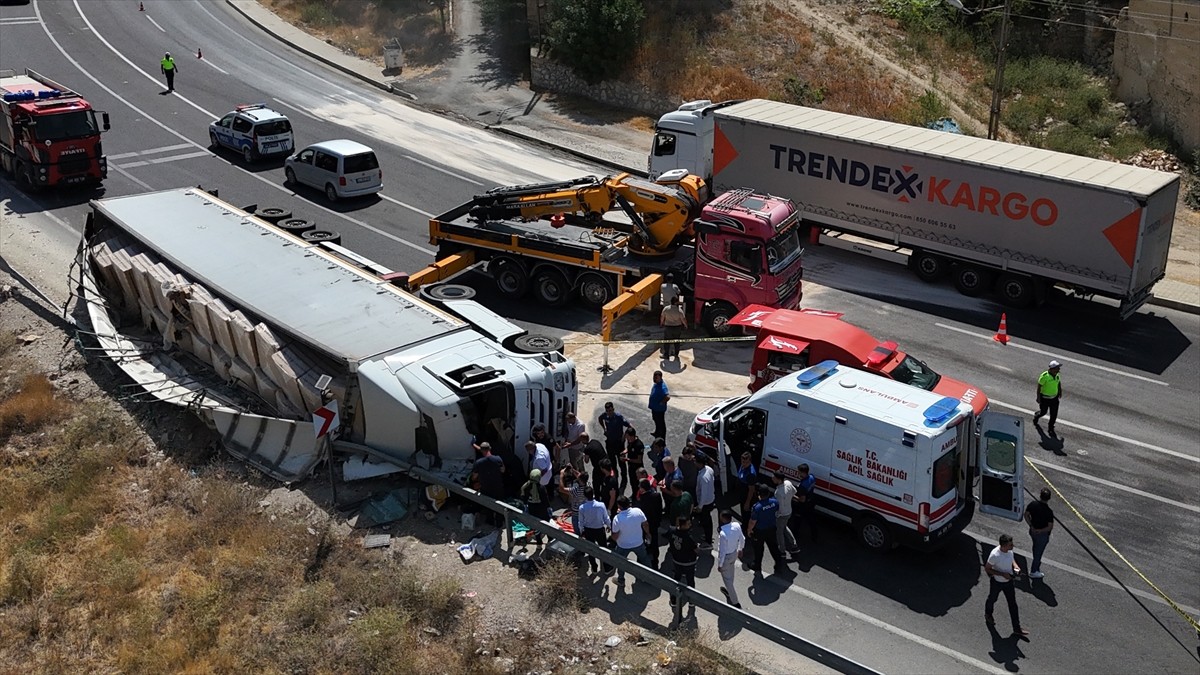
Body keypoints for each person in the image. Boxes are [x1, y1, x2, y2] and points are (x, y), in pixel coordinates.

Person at [984, 534, 1029, 636]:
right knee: (992, 599)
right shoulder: (995, 555)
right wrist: (1002, 574)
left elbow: (1012, 558)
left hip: (1008, 582)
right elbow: (987, 568)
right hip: (997, 582)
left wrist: (1016, 566)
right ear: (1004, 546)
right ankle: (988, 613)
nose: (1012, 546)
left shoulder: (1009, 551)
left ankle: (1016, 628)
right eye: (1010, 545)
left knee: (1013, 604)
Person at [609, 496, 650, 585]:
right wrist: (648, 534)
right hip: (639, 543)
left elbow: (615, 536)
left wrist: (612, 537)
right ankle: (650, 578)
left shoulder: (617, 518)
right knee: (644, 559)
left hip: (623, 545)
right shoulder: (638, 511)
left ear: (619, 506)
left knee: (621, 563)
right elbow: (645, 524)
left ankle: (621, 580)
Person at [748, 485, 785, 574]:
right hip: (771, 529)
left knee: (758, 549)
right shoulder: (775, 502)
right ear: (768, 493)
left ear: (758, 494)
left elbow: (753, 521)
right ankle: (779, 563)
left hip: (759, 531)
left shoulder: (757, 507)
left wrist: (749, 530)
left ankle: (757, 565)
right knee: (774, 547)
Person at [578, 487, 612, 574]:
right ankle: (607, 568)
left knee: (591, 549)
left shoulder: (582, 507)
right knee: (604, 549)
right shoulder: (601, 505)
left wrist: (581, 531)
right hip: (599, 530)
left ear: (585, 496)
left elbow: (581, 522)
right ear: (593, 494)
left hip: (588, 531)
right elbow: (606, 517)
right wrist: (609, 526)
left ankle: (594, 568)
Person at [470, 442, 506, 526]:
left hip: (486, 488)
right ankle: (499, 522)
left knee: (488, 505)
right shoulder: (498, 459)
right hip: (498, 487)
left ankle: (490, 521)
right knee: (499, 505)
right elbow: (503, 470)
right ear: (490, 449)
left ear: (482, 451)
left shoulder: (478, 463)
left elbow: (474, 477)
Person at [667, 517, 699, 607]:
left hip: (676, 560)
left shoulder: (671, 530)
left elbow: (668, 538)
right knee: (690, 581)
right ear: (682, 525)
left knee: (677, 579)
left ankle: (673, 600)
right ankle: (692, 601)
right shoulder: (688, 537)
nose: (690, 525)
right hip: (688, 562)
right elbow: (696, 549)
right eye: (688, 524)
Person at [1023, 488, 1054, 579]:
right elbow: (1050, 526)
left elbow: (1026, 515)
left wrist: (1031, 526)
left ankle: (1036, 564)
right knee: (1038, 553)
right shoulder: (1048, 511)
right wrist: (1040, 531)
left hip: (1033, 531)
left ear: (1040, 496)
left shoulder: (1033, 505)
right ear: (1049, 498)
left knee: (1035, 547)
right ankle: (1034, 571)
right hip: (1042, 534)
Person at [717, 510, 745, 609]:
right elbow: (742, 539)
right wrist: (740, 549)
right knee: (731, 574)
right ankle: (730, 591)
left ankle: (735, 602)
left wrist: (720, 565)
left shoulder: (723, 533)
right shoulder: (737, 525)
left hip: (727, 557)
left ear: (723, 519)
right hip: (734, 554)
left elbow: (722, 551)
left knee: (727, 579)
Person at [598, 402, 631, 477]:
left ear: (613, 409)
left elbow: (630, 426)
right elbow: (600, 419)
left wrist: (624, 436)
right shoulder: (605, 415)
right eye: (607, 411)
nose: (609, 413)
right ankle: (615, 475)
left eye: (610, 410)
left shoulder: (618, 417)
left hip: (619, 443)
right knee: (612, 461)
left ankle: (624, 476)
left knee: (621, 461)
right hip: (610, 442)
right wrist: (604, 428)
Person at [637, 478, 664, 570]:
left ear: (642, 489)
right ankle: (655, 562)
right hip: (654, 524)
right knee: (654, 543)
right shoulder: (656, 496)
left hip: (645, 525)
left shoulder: (642, 499)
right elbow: (659, 510)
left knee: (644, 542)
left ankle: (642, 562)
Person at [520, 469, 552, 544]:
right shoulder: (541, 488)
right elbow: (545, 500)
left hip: (532, 510)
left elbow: (524, 499)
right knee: (547, 526)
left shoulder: (526, 487)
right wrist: (549, 508)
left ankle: (539, 544)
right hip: (542, 511)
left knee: (536, 527)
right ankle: (550, 540)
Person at [789, 463, 818, 544]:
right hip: (811, 502)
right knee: (811, 520)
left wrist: (792, 496)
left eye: (799, 472)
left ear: (803, 472)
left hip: (803, 506)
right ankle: (814, 536)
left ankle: (794, 535)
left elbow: (802, 500)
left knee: (797, 519)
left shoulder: (803, 486)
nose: (798, 473)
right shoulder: (812, 477)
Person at [1034, 360, 1063, 435]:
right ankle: (1037, 416)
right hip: (1045, 398)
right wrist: (1038, 397)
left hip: (1054, 398)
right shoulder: (1044, 376)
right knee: (1043, 412)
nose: (1059, 369)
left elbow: (1058, 382)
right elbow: (1039, 386)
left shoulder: (1057, 375)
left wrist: (1060, 391)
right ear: (1052, 369)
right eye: (1057, 368)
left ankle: (1050, 428)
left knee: (1054, 414)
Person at [773, 472, 799, 554]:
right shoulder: (788, 483)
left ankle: (782, 550)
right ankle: (794, 545)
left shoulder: (778, 493)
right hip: (789, 512)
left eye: (774, 477)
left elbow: (780, 507)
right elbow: (794, 492)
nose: (772, 478)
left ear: (779, 479)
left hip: (782, 514)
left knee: (779, 533)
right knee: (784, 527)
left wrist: (777, 515)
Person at [694, 455, 716, 550]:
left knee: (707, 521)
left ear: (700, 463)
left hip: (705, 503)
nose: (694, 463)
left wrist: (700, 506)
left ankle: (708, 541)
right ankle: (708, 536)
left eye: (696, 461)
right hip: (710, 499)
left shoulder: (703, 477)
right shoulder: (709, 469)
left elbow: (704, 493)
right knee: (706, 520)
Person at [558, 465, 588, 535]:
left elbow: (561, 489)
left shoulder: (576, 490)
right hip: (584, 513)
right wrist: (572, 469)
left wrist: (561, 476)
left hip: (576, 514)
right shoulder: (587, 488)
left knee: (577, 532)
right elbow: (579, 476)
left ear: (580, 480)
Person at [619, 427, 645, 495]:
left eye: (627, 437)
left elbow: (639, 460)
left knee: (637, 484)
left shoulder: (639, 445)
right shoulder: (630, 441)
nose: (627, 439)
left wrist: (627, 459)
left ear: (632, 436)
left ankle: (638, 497)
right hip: (631, 466)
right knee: (632, 482)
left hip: (637, 468)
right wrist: (624, 452)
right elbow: (628, 448)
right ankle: (634, 495)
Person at [736, 452, 758, 526]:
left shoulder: (751, 474)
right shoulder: (743, 466)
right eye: (743, 462)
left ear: (750, 461)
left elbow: (751, 490)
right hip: (741, 493)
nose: (744, 464)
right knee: (743, 511)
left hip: (747, 495)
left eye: (746, 462)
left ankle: (746, 529)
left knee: (746, 513)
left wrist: (747, 502)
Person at [648, 370, 670, 441]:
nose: (654, 379)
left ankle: (662, 438)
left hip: (659, 410)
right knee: (656, 420)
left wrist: (661, 402)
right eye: (654, 377)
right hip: (654, 408)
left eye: (656, 378)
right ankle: (657, 433)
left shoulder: (663, 387)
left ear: (660, 378)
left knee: (661, 423)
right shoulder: (656, 384)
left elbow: (667, 397)